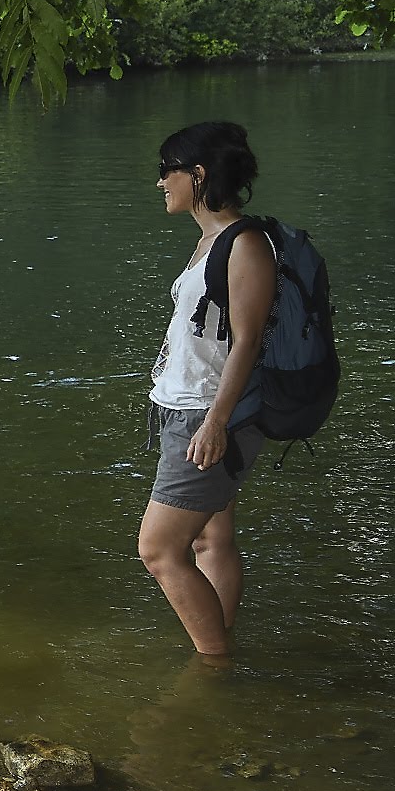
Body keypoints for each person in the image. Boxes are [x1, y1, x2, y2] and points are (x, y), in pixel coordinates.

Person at [138, 122, 274, 659]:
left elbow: (249, 339)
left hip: (208, 415)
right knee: (209, 540)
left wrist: (217, 420)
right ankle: (221, 646)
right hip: (188, 408)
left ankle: (213, 664)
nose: (160, 183)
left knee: (158, 550)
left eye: (166, 170)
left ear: (197, 175)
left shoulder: (245, 244)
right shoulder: (211, 240)